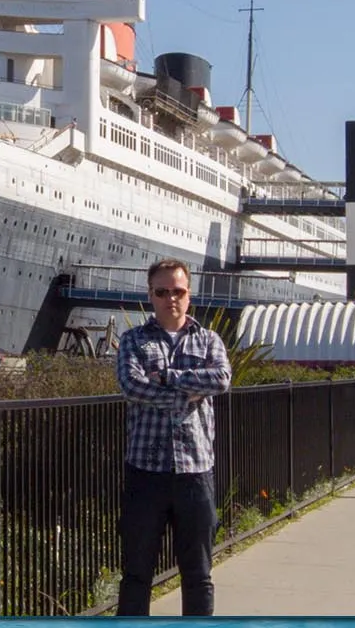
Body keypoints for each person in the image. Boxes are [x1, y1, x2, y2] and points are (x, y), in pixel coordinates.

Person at [116, 258, 232, 617]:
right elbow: (132, 386)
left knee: (198, 574)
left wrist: (165, 377)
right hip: (146, 471)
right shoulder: (132, 339)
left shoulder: (209, 339)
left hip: (195, 473)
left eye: (178, 291)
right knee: (136, 574)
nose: (171, 299)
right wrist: (188, 389)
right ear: (150, 296)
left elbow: (221, 380)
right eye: (162, 292)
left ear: (189, 294)